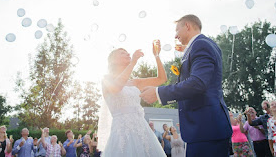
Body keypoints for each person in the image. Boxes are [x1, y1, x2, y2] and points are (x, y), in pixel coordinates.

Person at [140, 14, 232, 157]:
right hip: (203, 129)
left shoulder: (200, 45)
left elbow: (197, 83)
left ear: (187, 26)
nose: (176, 36)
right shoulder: (200, 46)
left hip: (206, 128)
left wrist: (159, 93)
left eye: (177, 30)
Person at [97, 40, 167, 156]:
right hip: (122, 133)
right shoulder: (106, 80)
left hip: (142, 130)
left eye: (127, 52)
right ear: (113, 60)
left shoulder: (134, 82)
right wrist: (133, 61)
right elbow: (117, 87)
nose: (128, 54)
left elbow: (161, 79)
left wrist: (157, 56)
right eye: (122, 53)